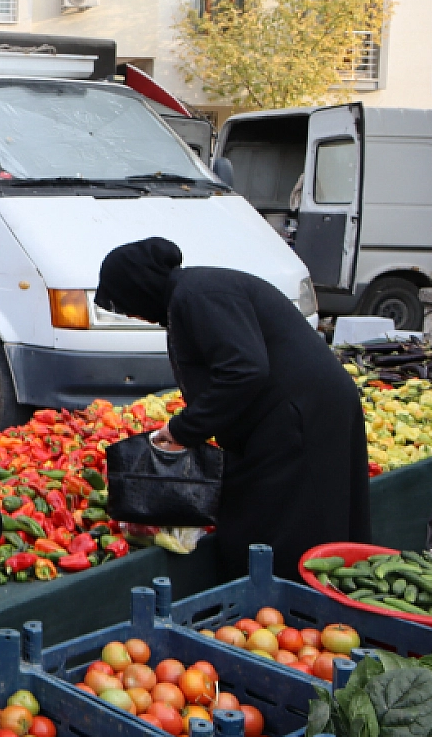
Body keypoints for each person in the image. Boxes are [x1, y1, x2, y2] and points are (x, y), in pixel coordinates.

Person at [95, 238, 371, 580]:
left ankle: (283, 608)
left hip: (298, 415)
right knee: (295, 512)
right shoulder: (192, 293)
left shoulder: (197, 295)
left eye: (125, 304)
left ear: (138, 288)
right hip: (297, 410)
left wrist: (184, 430)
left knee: (285, 523)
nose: (133, 315)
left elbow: (244, 369)